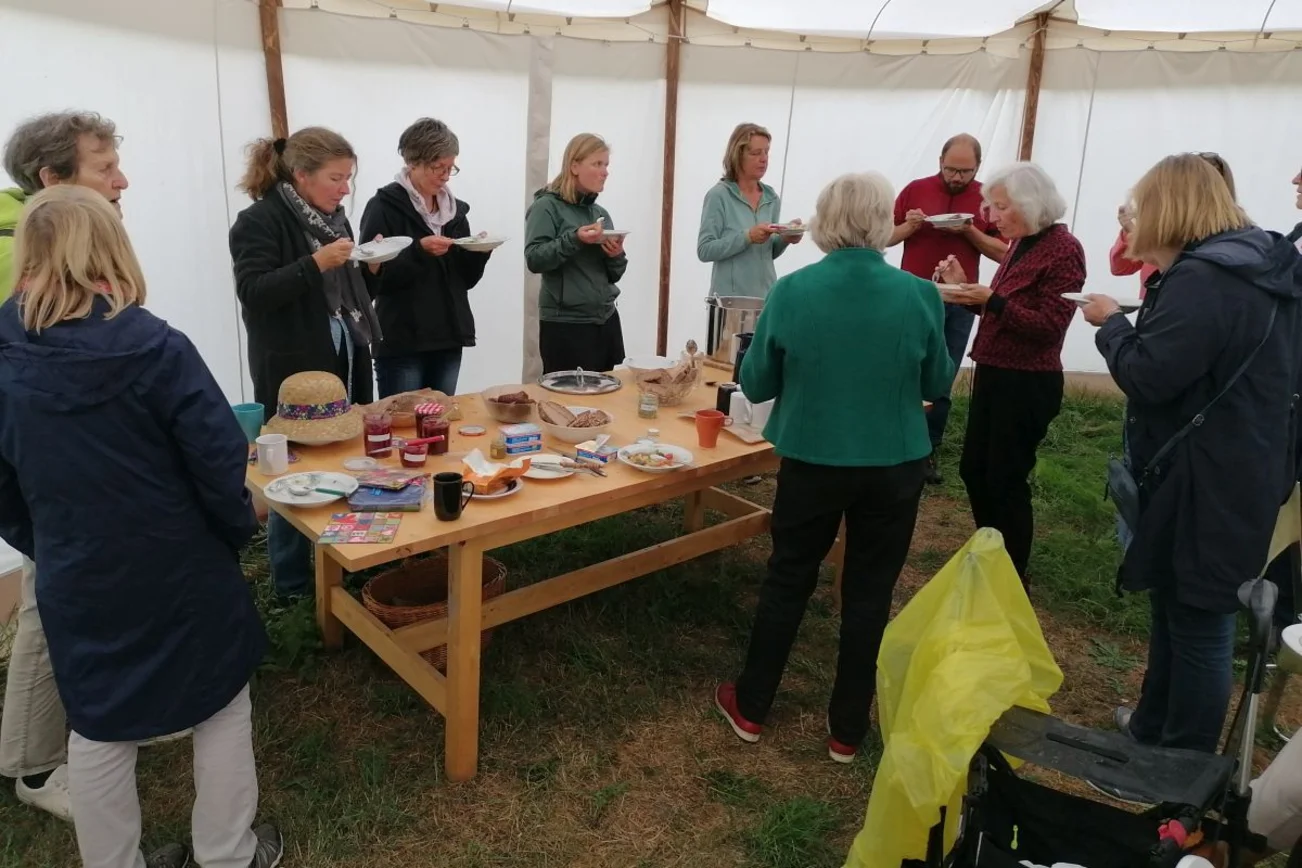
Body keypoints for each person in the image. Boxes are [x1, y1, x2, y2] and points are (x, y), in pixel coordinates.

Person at [0, 185, 282, 868]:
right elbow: (219, 462)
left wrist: (55, 545)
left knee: (97, 725)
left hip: (78, 570)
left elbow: (7, 493)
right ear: (108, 248)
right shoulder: (153, 346)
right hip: (178, 566)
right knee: (220, 705)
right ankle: (227, 854)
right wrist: (235, 527)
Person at [713, 172, 953, 764]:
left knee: (789, 576)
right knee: (870, 593)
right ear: (881, 224)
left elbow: (758, 380)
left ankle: (752, 705)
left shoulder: (793, 292)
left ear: (825, 223)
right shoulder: (919, 294)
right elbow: (938, 382)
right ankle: (847, 729)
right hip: (895, 461)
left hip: (813, 457)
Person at [1080, 153, 1302, 756]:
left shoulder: (1206, 276)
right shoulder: (1260, 262)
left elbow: (1153, 375)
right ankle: (1154, 728)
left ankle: (1182, 762)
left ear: (1170, 206)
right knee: (1176, 603)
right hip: (1235, 464)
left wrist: (1110, 326)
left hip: (1211, 474)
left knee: (1201, 622)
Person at [0, 110, 130, 822]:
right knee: (50, 610)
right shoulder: (16, 254)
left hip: (63, 477)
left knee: (60, 605)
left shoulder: (42, 238)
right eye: (103, 168)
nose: (122, 180)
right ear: (52, 180)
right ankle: (35, 764)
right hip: (51, 482)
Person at [230, 126, 379, 599]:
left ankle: (347, 560)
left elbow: (345, 295)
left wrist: (368, 266)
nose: (345, 189)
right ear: (300, 175)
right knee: (293, 470)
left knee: (347, 457)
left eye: (348, 177)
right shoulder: (259, 222)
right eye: (336, 178)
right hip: (292, 367)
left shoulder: (335, 222)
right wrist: (315, 264)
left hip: (344, 353)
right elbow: (253, 292)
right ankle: (293, 584)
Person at [937, 163, 1084, 584]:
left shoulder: (1063, 248)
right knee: (974, 470)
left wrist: (993, 301)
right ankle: (990, 549)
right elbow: (1000, 307)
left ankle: (1010, 572)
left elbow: (1050, 325)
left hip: (1027, 381)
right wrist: (966, 289)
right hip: (995, 371)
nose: (992, 217)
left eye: (1000, 207)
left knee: (1005, 477)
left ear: (1029, 204)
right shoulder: (1020, 243)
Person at [1111, 153, 1238, 553]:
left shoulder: (1198, 275)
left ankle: (1143, 547)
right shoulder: (1228, 261)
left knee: (1189, 588)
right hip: (1202, 444)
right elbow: (1120, 264)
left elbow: (1150, 375)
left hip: (1197, 447)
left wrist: (1113, 326)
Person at [889, 134, 1008, 484]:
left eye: (965, 171)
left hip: (959, 298)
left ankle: (928, 450)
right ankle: (895, 440)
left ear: (978, 167)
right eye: (951, 169)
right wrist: (908, 227)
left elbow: (1006, 253)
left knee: (943, 374)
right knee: (902, 366)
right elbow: (882, 237)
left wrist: (969, 231)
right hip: (911, 295)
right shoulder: (915, 189)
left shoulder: (989, 199)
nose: (957, 177)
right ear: (939, 160)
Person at [360, 118, 492, 397]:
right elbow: (372, 279)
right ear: (412, 162)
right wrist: (419, 251)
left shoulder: (455, 211)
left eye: (450, 168)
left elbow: (465, 281)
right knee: (403, 429)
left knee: (440, 423)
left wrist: (479, 253)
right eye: (437, 168)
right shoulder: (384, 206)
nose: (445, 176)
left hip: (449, 335)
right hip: (403, 339)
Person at [525, 133, 628, 374]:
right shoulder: (546, 207)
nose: (605, 172)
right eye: (597, 164)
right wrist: (575, 238)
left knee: (606, 403)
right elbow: (534, 258)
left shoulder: (599, 212)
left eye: (606, 165)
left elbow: (613, 275)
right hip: (566, 326)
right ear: (574, 166)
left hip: (606, 321)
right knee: (569, 405)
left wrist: (616, 255)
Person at [696, 122, 803, 355]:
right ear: (737, 155)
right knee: (727, 372)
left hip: (765, 301)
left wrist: (786, 238)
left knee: (762, 370)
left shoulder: (771, 197)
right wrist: (747, 236)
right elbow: (705, 250)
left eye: (766, 152)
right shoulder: (719, 196)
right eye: (755, 153)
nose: (763, 159)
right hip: (730, 307)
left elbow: (768, 253)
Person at [1109, 153, 1237, 299]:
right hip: (1157, 315)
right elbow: (1120, 267)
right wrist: (1135, 232)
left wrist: (1112, 317)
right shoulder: (1163, 225)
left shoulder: (1225, 238)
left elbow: (1184, 278)